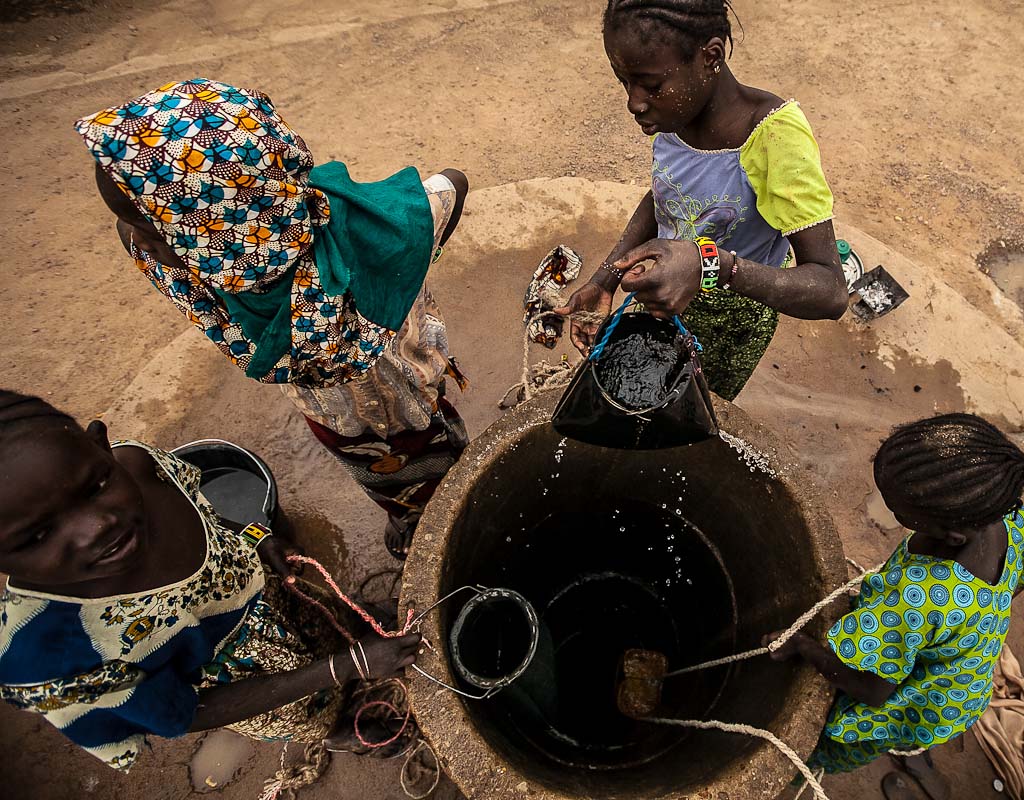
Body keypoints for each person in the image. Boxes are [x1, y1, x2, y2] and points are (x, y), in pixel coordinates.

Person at [76, 78, 470, 558]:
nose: (139, 244)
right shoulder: (186, 269)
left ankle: (443, 503)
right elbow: (451, 184)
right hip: (334, 415)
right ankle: (408, 513)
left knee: (436, 450)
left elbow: (451, 185)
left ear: (227, 226)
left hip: (412, 382)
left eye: (153, 231)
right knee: (377, 470)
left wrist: (409, 265)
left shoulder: (372, 233)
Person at [0, 390, 422, 771]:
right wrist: (345, 667)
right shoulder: (48, 653)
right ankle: (342, 729)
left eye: (95, 487)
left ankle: (358, 641)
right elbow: (186, 713)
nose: (96, 528)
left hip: (277, 596)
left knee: (335, 622)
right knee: (312, 715)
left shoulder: (141, 466)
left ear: (100, 445)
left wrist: (257, 539)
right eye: (37, 536)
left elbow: (205, 515)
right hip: (252, 687)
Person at [769, 414, 1024, 797]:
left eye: (899, 511)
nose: (894, 512)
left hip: (921, 702)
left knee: (837, 742)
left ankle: (811, 766)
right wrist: (985, 608)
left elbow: (872, 693)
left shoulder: (918, 596)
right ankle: (911, 743)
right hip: (963, 688)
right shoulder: (1012, 519)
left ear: (951, 535)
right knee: (918, 664)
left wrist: (805, 647)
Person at [556, 0, 848, 400]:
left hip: (731, 320)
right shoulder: (675, 113)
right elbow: (668, 194)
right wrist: (604, 279)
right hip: (663, 291)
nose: (634, 103)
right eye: (623, 81)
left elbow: (831, 290)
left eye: (651, 86)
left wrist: (710, 264)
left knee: (695, 401)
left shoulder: (774, 138)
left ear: (710, 57)